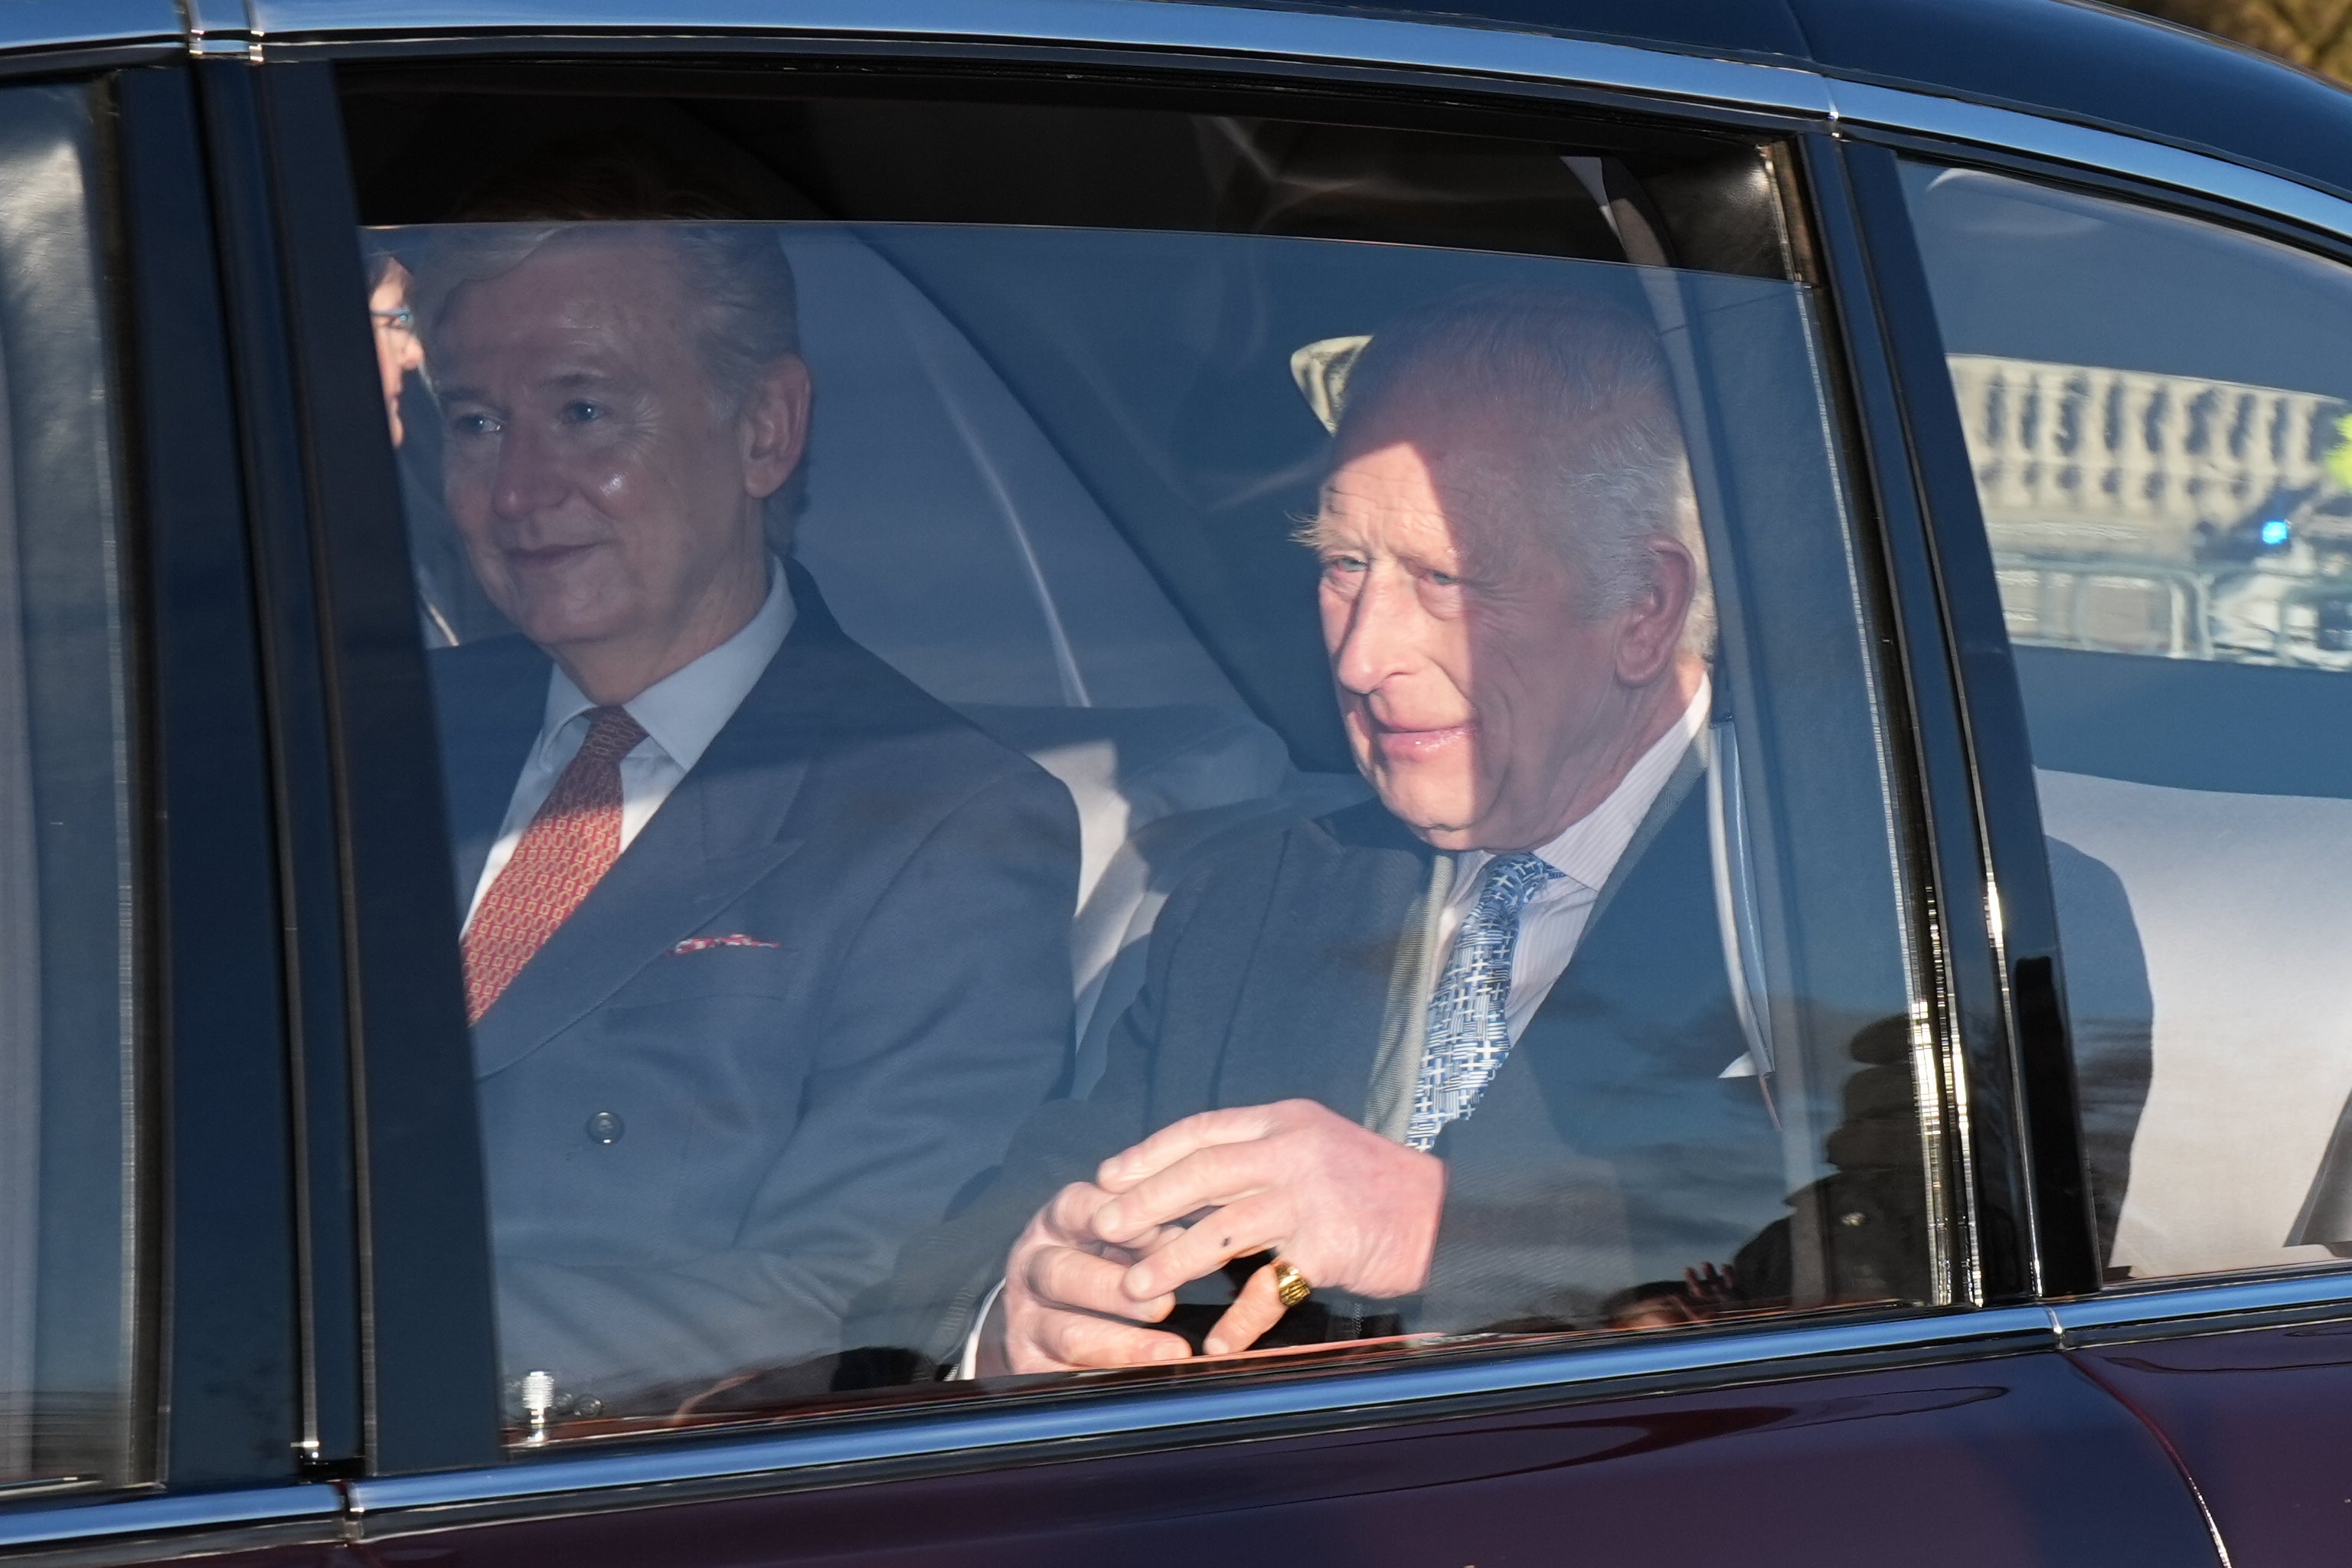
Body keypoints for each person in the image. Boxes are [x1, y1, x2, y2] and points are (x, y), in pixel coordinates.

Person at [860, 286, 1791, 1379]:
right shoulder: (1256, 900)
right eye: (1343, 566)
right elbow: (951, 1269)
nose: (1360, 657)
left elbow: (1871, 1248)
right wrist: (1010, 1323)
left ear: (1644, 604)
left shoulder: (1873, 901)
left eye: (1445, 578)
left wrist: (1449, 1225)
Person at [413, 211, 1080, 1416]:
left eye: (583, 412)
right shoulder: (366, 737)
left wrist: (347, 1327)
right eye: (477, 423)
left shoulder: (942, 822)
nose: (518, 488)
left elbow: (847, 1299)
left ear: (766, 429)